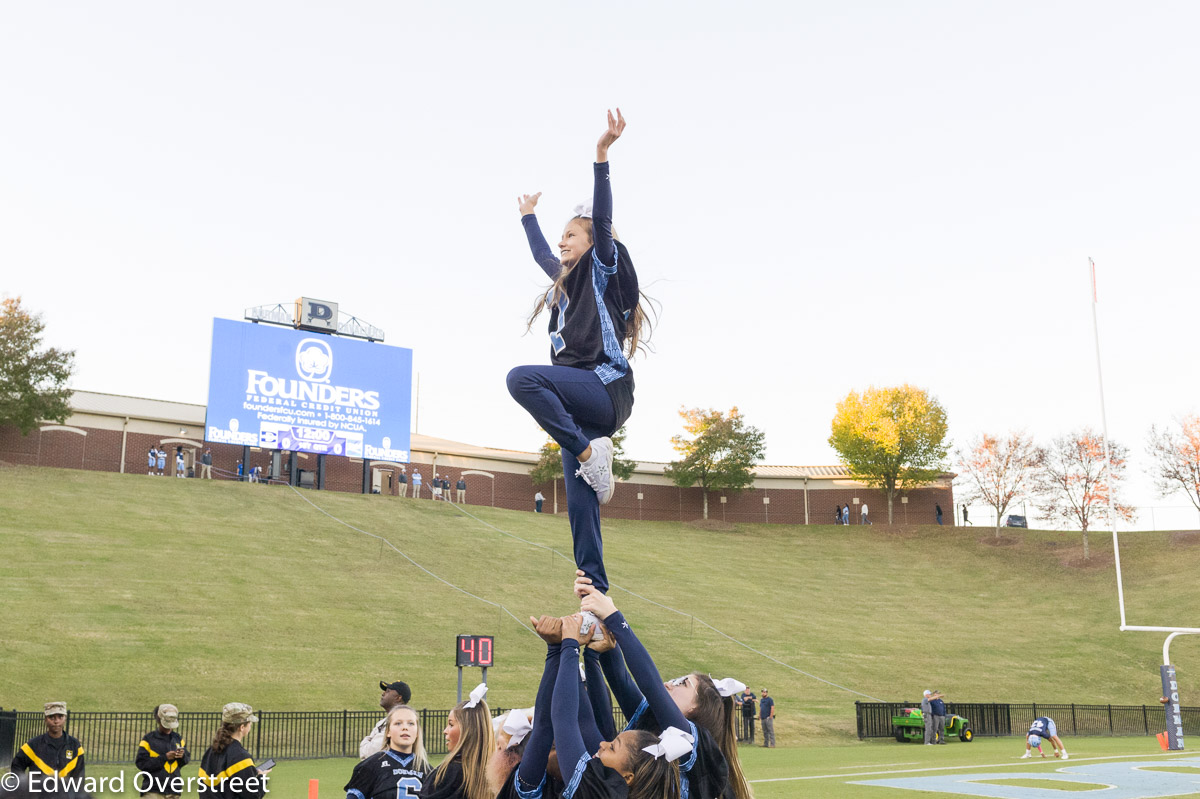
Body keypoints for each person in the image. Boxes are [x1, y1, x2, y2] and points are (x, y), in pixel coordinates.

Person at [507, 108, 651, 599]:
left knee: (522, 380)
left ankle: (590, 452)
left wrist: (601, 156)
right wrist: (528, 217)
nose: (562, 241)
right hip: (581, 406)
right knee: (581, 502)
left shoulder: (601, 268)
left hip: (606, 388)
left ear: (591, 244)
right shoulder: (565, 286)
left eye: (571, 233)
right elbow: (542, 255)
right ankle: (596, 597)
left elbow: (603, 221)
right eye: (562, 234)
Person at [578, 574, 749, 799]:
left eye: (682, 684)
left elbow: (652, 687)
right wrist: (594, 598)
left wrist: (613, 616)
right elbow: (620, 680)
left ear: (695, 711)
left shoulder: (691, 746)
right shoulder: (650, 734)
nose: (669, 683)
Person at [418, 684, 494, 799]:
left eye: (451, 724)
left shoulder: (446, 773)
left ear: (467, 731)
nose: (445, 731)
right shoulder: (494, 775)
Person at [345, 704, 431, 799]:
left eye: (411, 723)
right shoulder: (370, 766)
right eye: (398, 723)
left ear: (417, 732)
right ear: (388, 732)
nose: (405, 728)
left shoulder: (428, 771)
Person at [9, 701, 86, 794]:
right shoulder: (33, 745)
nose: (56, 721)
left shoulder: (75, 746)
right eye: (51, 717)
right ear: (45, 719)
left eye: (60, 717)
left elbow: (79, 777)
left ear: (65, 718)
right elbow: (17, 766)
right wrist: (23, 788)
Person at [199, 703, 272, 799]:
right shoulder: (240, 756)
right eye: (250, 722)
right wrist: (262, 777)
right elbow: (253, 795)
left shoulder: (212, 750)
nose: (250, 725)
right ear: (242, 727)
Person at [136, 703, 190, 799]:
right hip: (153, 791)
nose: (169, 728)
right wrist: (164, 758)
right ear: (159, 720)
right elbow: (141, 764)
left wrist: (182, 756)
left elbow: (185, 761)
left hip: (174, 790)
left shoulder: (178, 739)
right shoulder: (148, 739)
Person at [361, 680, 413, 759]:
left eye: (388, 691)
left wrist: (367, 740)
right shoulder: (382, 722)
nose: (383, 694)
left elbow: (369, 753)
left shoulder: (400, 722)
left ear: (398, 698)